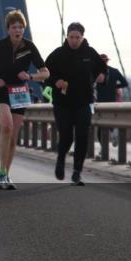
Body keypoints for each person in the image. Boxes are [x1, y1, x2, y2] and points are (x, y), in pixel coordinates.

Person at [0, 9, 49, 190]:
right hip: (0, 91)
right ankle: (1, 173)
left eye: (20, 27)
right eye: (14, 27)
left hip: (19, 92)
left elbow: (45, 72)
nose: (17, 30)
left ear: (23, 29)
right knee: (7, 126)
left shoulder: (29, 47)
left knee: (13, 136)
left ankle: (6, 174)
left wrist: (30, 76)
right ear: (8, 29)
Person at [44, 22, 107, 186]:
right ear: (67, 37)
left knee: (82, 137)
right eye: (71, 37)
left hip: (84, 102)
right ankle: (60, 159)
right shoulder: (58, 54)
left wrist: (101, 76)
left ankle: (77, 172)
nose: (74, 40)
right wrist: (55, 81)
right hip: (62, 103)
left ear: (82, 37)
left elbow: (102, 69)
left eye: (77, 37)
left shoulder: (90, 53)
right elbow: (44, 74)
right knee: (66, 136)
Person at [94, 53, 128, 156]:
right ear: (107, 61)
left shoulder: (95, 72)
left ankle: (103, 148)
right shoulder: (115, 71)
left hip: (100, 103)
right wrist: (115, 86)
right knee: (110, 122)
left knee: (100, 126)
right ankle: (113, 133)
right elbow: (125, 83)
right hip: (112, 102)